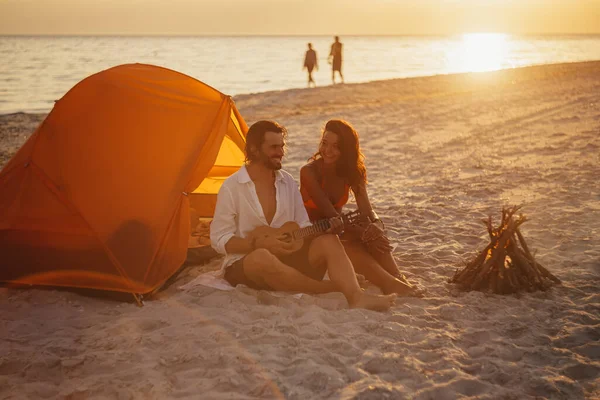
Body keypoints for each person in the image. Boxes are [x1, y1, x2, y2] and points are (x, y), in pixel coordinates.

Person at [210, 120, 397, 311]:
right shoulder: (232, 187)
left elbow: (302, 224)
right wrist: (255, 244)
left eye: (282, 146)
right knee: (262, 257)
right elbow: (219, 238)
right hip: (246, 262)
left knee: (328, 240)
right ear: (254, 149)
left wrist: (317, 232)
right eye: (274, 147)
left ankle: (356, 297)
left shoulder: (287, 182)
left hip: (286, 257)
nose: (281, 152)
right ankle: (330, 287)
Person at [300, 119, 421, 296]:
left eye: (336, 146)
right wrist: (361, 230)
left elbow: (367, 210)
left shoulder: (353, 171)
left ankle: (397, 277)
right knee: (350, 243)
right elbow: (330, 213)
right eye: (325, 143)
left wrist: (377, 225)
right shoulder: (309, 171)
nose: (327, 150)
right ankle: (388, 283)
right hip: (313, 234)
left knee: (372, 232)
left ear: (346, 150)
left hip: (338, 228)